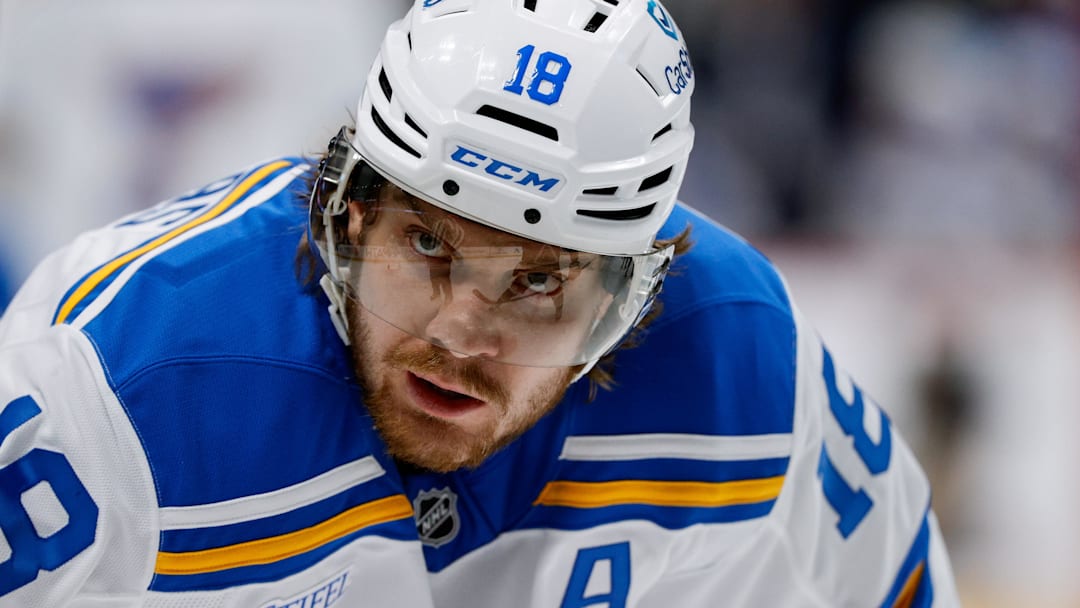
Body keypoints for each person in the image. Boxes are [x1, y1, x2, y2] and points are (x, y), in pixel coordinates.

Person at [0, 0, 959, 606]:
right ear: (346, 214)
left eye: (538, 280)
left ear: (634, 293)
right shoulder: (125, 374)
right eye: (427, 246)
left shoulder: (744, 368)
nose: (460, 331)